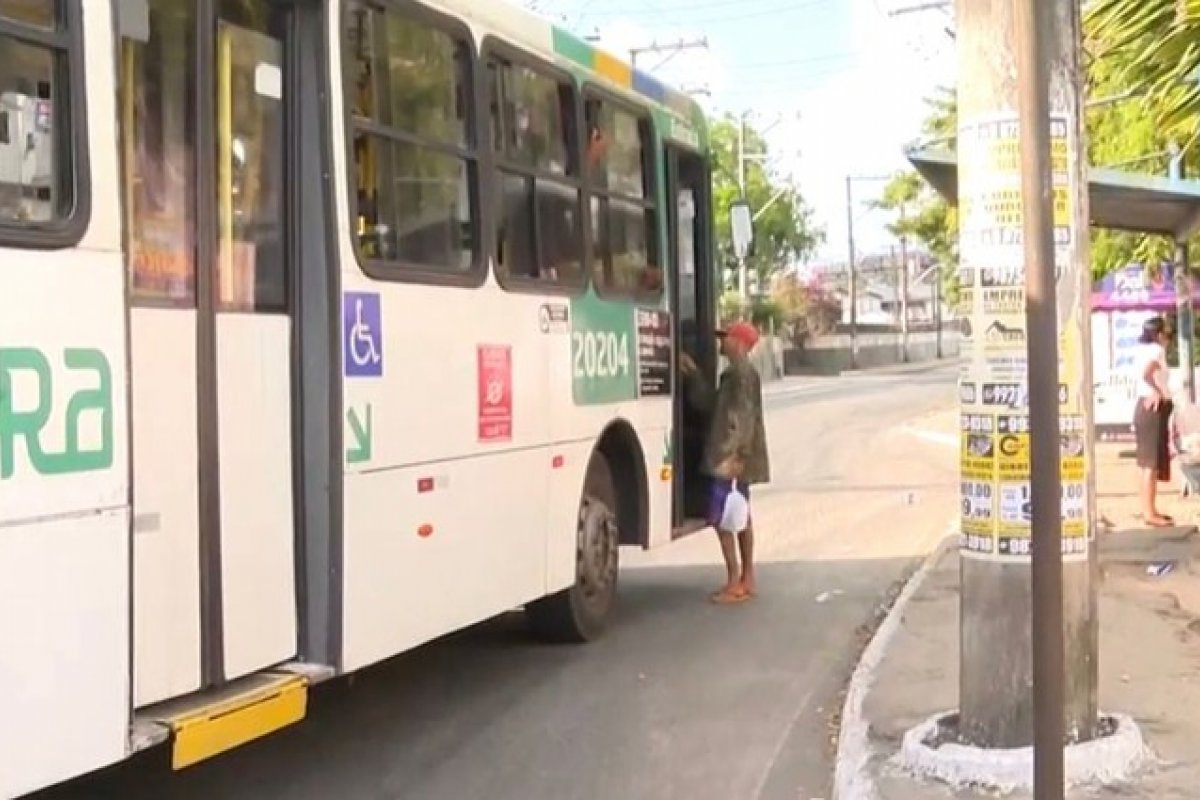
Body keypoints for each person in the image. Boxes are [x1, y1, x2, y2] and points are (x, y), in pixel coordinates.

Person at [703, 321, 770, 604]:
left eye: (726, 338)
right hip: (738, 457)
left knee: (723, 518)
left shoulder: (737, 374)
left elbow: (740, 419)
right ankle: (747, 578)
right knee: (741, 516)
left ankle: (734, 581)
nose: (721, 342)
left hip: (730, 459)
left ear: (740, 343)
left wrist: (734, 455)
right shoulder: (745, 372)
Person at [1132, 316, 1174, 526]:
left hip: (1143, 407)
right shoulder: (1156, 351)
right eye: (1166, 332)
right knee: (1151, 463)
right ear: (1158, 334)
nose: (1168, 336)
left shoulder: (1141, 349)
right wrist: (1158, 391)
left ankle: (1148, 509)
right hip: (1153, 409)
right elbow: (1147, 372)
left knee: (1144, 462)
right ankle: (1150, 513)